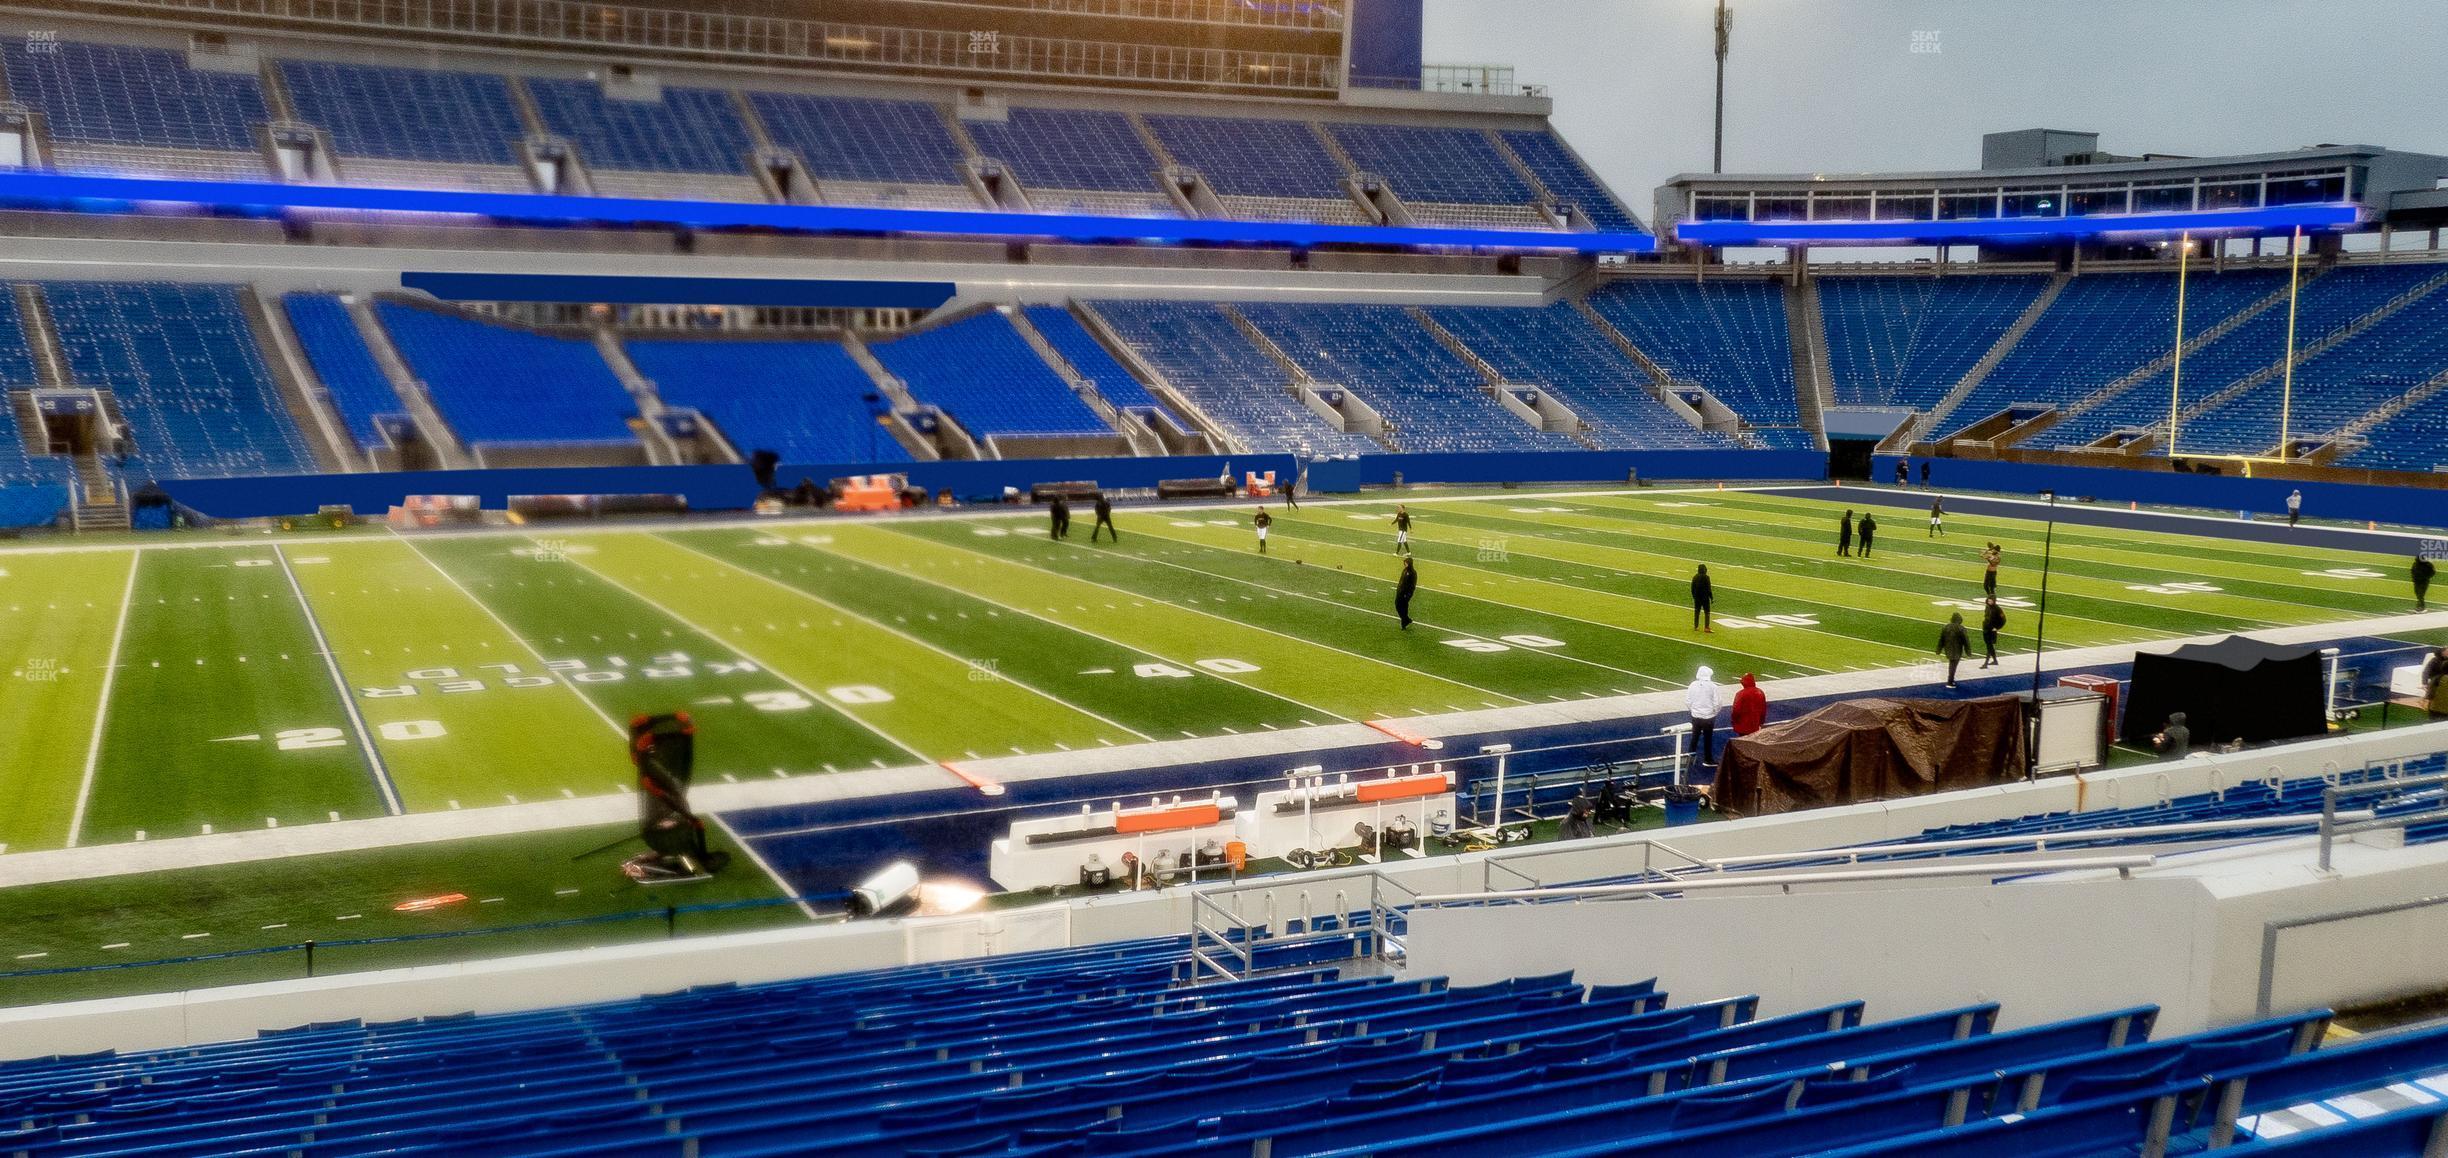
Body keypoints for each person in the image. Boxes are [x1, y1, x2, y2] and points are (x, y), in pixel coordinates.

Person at [1686, 666, 1722, 769]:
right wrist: (1713, 712)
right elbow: (1718, 703)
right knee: (1708, 738)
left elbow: (1688, 700)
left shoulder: (1692, 685)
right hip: (1708, 717)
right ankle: (1708, 759)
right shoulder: (1713, 686)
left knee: (1694, 737)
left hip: (1696, 716)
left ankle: (1689, 758)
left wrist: (1693, 710)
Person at [1936, 611, 1970, 689]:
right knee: (1953, 665)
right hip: (1957, 649)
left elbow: (1941, 639)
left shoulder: (1946, 627)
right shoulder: (1961, 628)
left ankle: (1951, 680)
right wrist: (1968, 651)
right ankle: (1950, 681)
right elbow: (1966, 641)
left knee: (1952, 663)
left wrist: (1938, 649)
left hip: (1948, 648)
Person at [1731, 672, 1767, 737]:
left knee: (1743, 742)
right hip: (1755, 724)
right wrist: (1761, 721)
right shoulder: (1760, 692)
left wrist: (1734, 721)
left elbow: (1736, 710)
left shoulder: (1740, 694)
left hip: (1743, 725)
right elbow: (1763, 709)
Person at [1980, 596, 2007, 668]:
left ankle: (1985, 663)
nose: (1989, 602)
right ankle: (1995, 661)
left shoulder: (1998, 609)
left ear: (1994, 601)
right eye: (1989, 600)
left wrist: (1997, 628)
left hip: (1992, 630)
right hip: (1986, 629)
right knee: (1989, 646)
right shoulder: (1987, 607)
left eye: (1991, 600)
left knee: (1989, 646)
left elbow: (2003, 619)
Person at [1393, 556, 1418, 629]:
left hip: (1406, 593)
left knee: (1403, 607)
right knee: (1397, 605)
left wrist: (1409, 594)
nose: (1405, 564)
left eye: (1406, 563)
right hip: (1400, 591)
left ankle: (1404, 622)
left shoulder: (1413, 573)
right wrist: (1398, 588)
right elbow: (1401, 580)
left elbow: (1412, 585)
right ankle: (1406, 619)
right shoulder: (1405, 570)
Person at [1690, 563, 1714, 633]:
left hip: (1697, 598)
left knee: (1697, 612)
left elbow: (1692, 588)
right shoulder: (1706, 577)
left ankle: (1696, 626)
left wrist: (1694, 596)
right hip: (1705, 598)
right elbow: (1709, 589)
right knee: (1707, 612)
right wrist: (1711, 598)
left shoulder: (1695, 577)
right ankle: (1706, 627)